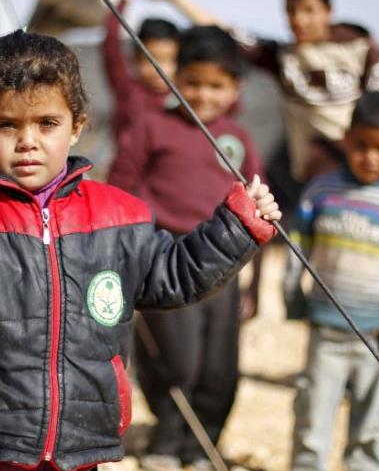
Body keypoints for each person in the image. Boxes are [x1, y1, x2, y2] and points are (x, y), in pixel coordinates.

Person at [0, 30, 281, 471]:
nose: (27, 140)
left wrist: (237, 227)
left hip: (80, 455)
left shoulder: (118, 218)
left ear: (78, 125)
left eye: (47, 123)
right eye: (6, 124)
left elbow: (174, 275)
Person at [108, 26, 265, 471]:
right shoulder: (152, 128)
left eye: (216, 85)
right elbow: (119, 197)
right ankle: (167, 441)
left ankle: (203, 448)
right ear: (175, 76)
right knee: (178, 362)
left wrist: (254, 283)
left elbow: (259, 213)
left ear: (235, 88)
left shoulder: (238, 139)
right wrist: (126, 266)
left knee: (220, 370)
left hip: (226, 266)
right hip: (166, 261)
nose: (204, 94)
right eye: (193, 82)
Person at [284, 92, 379, 471]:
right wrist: (292, 297)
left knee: (371, 428)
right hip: (325, 336)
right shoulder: (321, 192)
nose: (370, 157)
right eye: (361, 145)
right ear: (346, 139)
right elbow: (296, 251)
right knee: (311, 422)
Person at [241, 0, 379, 187]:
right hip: (315, 174)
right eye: (291, 10)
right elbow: (227, 34)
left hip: (364, 171)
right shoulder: (284, 59)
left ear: (328, 10)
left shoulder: (361, 49)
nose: (299, 20)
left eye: (309, 10)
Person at [103, 0, 217, 138]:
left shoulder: (190, 97)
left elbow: (215, 36)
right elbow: (111, 42)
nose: (160, 70)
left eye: (169, 60)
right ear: (135, 59)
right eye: (151, 60)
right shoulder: (128, 90)